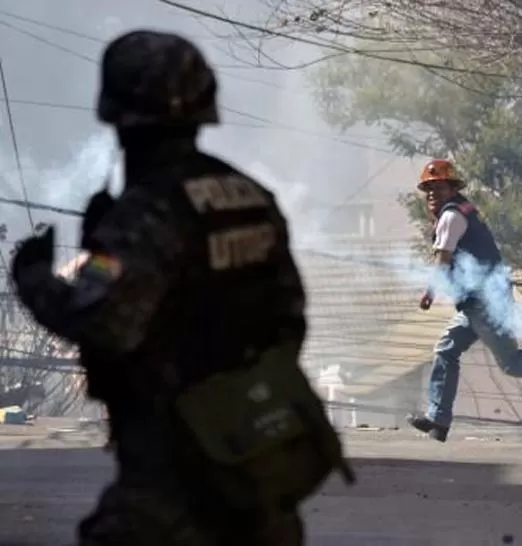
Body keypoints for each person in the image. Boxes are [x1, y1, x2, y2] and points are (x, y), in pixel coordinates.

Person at [9, 29, 352, 546]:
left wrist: (34, 279)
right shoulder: (248, 195)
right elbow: (290, 315)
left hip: (177, 473)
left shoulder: (148, 212)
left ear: (118, 115)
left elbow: (107, 327)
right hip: (259, 459)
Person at [408, 159, 522, 442]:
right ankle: (438, 421)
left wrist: (429, 293)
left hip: (484, 302)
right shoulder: (461, 212)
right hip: (478, 302)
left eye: (439, 188)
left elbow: (443, 260)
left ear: (452, 188)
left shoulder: (451, 217)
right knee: (446, 349)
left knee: (510, 362)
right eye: (429, 189)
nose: (433, 194)